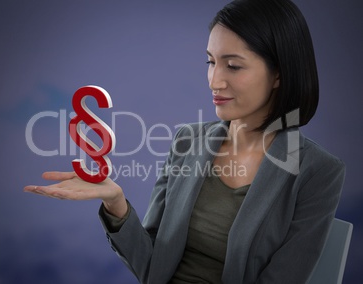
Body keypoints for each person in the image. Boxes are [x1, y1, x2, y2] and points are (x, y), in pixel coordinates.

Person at [24, 0, 346, 283]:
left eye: (233, 65)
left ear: (278, 74)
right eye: (210, 61)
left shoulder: (318, 173)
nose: (214, 80)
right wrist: (115, 203)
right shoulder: (187, 140)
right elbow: (151, 267)